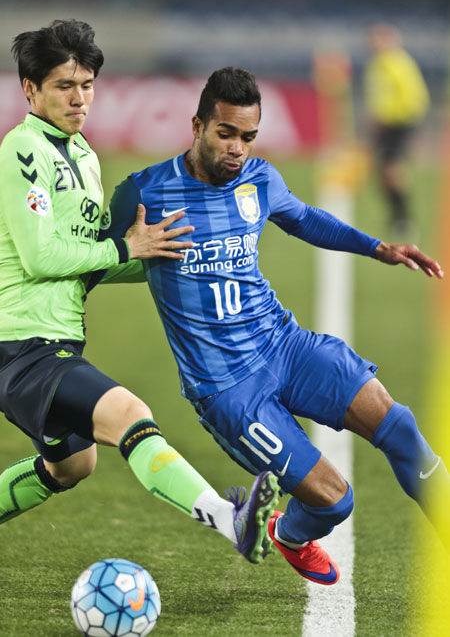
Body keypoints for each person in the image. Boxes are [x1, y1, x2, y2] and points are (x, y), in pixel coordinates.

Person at [93, 65, 450, 586]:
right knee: (335, 501)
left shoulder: (260, 180)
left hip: (285, 345)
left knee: (400, 427)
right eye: (226, 134)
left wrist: (379, 248)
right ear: (196, 126)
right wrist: (127, 252)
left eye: (248, 137)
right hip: (229, 389)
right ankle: (289, 534)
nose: (238, 148)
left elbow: (305, 218)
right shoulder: (144, 192)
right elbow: (95, 260)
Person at [0, 21, 281, 568]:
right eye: (63, 85)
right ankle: (233, 521)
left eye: (87, 84)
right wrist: (128, 250)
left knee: (71, 468)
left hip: (54, 340)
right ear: (31, 90)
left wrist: (167, 253)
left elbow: (89, 262)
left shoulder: (81, 155)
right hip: (20, 343)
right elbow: (42, 259)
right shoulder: (23, 150)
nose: (79, 98)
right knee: (129, 413)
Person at [364, 23, 430, 235]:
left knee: (391, 169)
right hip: (391, 123)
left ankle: (403, 219)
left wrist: (386, 121)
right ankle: (397, 218)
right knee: (384, 171)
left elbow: (410, 98)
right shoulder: (380, 63)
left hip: (398, 122)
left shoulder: (395, 62)